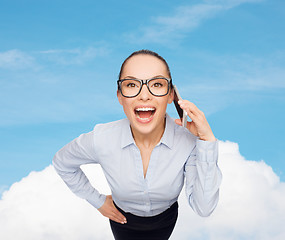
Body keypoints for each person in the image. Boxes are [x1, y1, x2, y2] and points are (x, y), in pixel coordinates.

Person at [52, 49, 222, 240]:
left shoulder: (189, 142)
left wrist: (207, 141)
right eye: (132, 84)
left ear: (170, 96)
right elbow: (62, 162)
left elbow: (204, 207)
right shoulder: (101, 138)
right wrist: (97, 201)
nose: (144, 95)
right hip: (122, 220)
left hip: (165, 219)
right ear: (120, 96)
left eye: (157, 84)